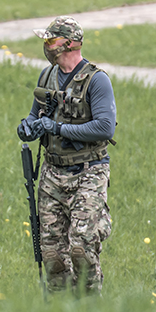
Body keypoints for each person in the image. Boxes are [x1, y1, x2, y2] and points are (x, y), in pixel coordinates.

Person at [16, 16, 116, 293]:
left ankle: (90, 305)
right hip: (52, 174)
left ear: (70, 44)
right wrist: (28, 127)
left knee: (81, 249)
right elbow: (35, 114)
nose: (47, 46)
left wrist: (58, 128)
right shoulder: (47, 76)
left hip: (88, 172)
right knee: (52, 254)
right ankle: (60, 310)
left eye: (51, 41)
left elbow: (105, 127)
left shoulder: (97, 80)